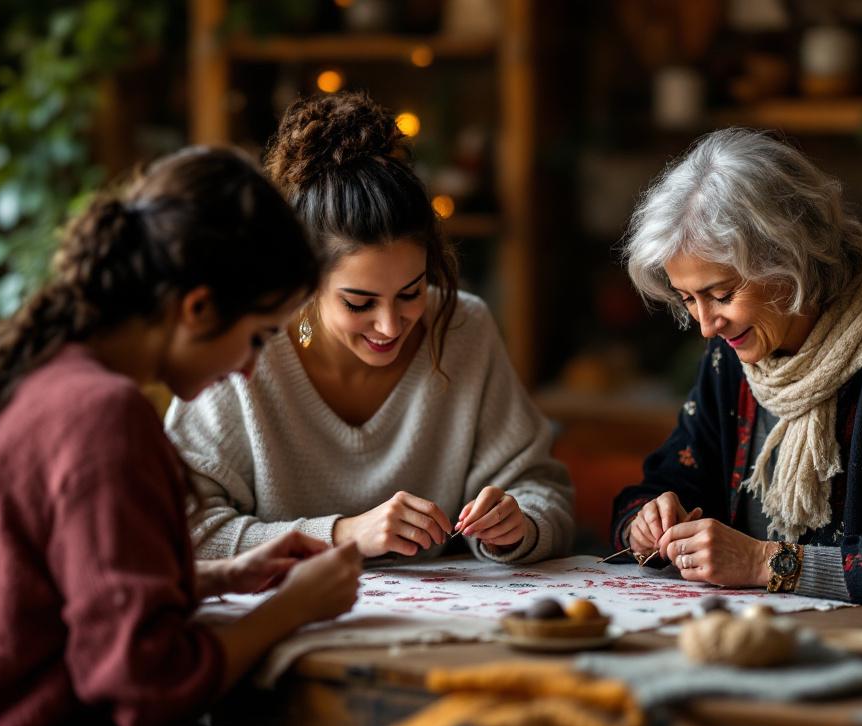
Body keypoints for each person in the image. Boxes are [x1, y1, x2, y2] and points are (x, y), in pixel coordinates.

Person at [0, 146, 362, 726]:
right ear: (197, 308)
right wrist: (292, 608)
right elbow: (147, 688)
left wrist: (221, 576)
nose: (251, 370)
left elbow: (55, 598)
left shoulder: (38, 378)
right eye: (256, 338)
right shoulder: (103, 416)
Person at [612, 128, 862, 606]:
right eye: (688, 299)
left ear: (789, 260)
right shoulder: (734, 355)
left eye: (721, 294)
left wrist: (763, 563)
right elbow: (673, 479)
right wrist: (649, 522)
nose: (706, 326)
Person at [166, 92, 573, 565]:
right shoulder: (244, 347)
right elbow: (178, 527)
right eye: (359, 303)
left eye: (411, 293)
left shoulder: (462, 328)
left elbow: (544, 490)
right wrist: (342, 535)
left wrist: (518, 526)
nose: (390, 325)